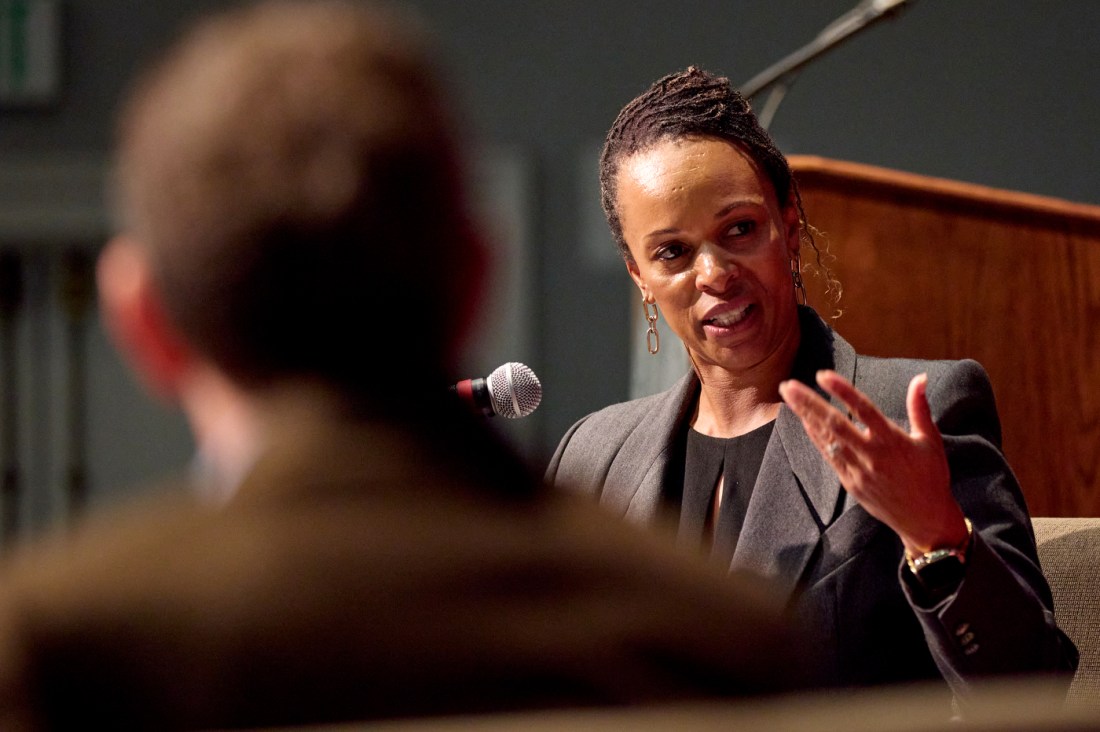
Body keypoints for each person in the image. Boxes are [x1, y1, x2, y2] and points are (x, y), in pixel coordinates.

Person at [0, 7, 816, 730]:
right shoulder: (717, 636)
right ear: (477, 278)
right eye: (672, 251)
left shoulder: (61, 650)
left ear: (145, 325)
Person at [546, 67, 1078, 711]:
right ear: (638, 275)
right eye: (672, 253)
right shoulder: (593, 455)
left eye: (739, 229)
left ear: (789, 225)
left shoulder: (916, 409)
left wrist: (936, 535)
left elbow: (1036, 688)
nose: (713, 274)